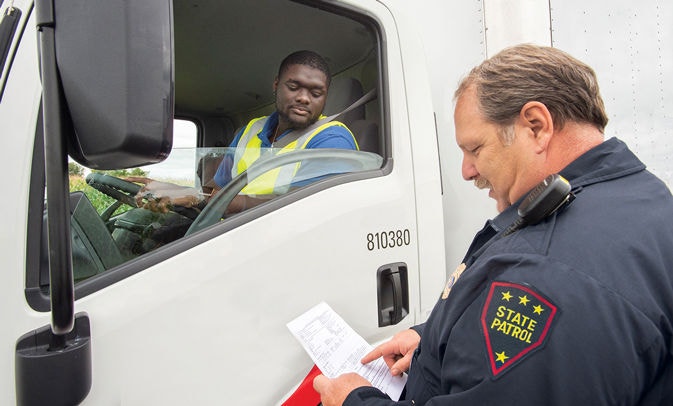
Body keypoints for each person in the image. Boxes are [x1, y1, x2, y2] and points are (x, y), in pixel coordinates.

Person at [313, 44, 673, 405]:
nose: (466, 171)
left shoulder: (543, 275)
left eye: (475, 148)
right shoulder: (643, 198)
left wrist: (352, 400)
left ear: (536, 126)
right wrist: (437, 341)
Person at [130, 50, 358, 213]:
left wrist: (196, 196)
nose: (303, 98)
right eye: (294, 86)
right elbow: (218, 191)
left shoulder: (332, 140)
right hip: (235, 236)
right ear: (276, 85)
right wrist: (179, 192)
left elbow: (301, 212)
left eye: (316, 93)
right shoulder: (251, 129)